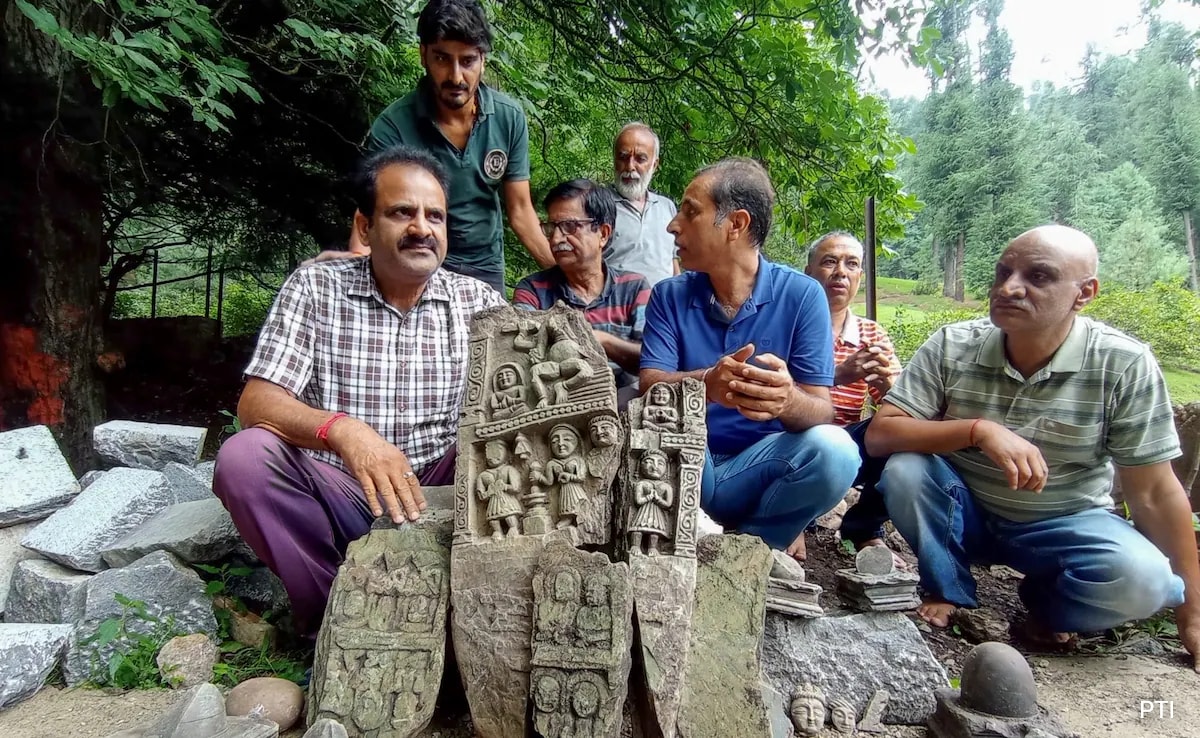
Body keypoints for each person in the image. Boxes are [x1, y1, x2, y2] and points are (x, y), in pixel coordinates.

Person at [866, 225, 1199, 666]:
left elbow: (1154, 493)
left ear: (1084, 293)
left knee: (1146, 581)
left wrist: (1193, 616)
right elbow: (881, 434)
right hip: (963, 512)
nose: (1009, 288)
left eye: (1038, 276)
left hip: (1066, 521)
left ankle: (1046, 607)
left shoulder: (1123, 363)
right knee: (906, 469)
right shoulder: (952, 344)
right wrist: (978, 430)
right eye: (1003, 272)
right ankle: (950, 588)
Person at [212, 145, 505, 636]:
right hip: (347, 492)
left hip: (446, 488)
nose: (422, 228)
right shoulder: (315, 288)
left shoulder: (479, 302)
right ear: (365, 227)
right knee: (244, 459)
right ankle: (336, 619)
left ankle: (477, 618)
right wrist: (344, 432)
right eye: (402, 213)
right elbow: (257, 403)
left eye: (435, 216)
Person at [638, 157, 860, 550]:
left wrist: (788, 400)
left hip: (766, 468)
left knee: (838, 451)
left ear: (736, 225)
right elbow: (650, 385)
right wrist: (707, 383)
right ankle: (716, 544)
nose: (673, 225)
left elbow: (821, 411)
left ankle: (755, 548)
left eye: (690, 212)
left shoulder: (802, 295)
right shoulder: (669, 296)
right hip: (692, 461)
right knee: (644, 415)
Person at [345, 0, 552, 290]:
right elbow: (371, 210)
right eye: (442, 59)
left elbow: (520, 211)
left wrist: (564, 276)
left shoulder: (509, 118)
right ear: (424, 55)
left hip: (484, 267)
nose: (456, 76)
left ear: (483, 60)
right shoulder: (394, 125)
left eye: (467, 61)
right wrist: (354, 267)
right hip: (415, 259)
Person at [785, 231, 903, 562]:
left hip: (846, 445)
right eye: (829, 262)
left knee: (903, 431)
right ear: (808, 272)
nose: (841, 272)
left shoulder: (871, 334)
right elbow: (773, 397)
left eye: (851, 264)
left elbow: (902, 405)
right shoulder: (787, 325)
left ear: (860, 277)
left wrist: (888, 386)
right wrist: (839, 374)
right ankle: (789, 518)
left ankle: (864, 528)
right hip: (791, 440)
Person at [513, 179, 650, 407]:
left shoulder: (634, 287)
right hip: (554, 408)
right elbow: (521, 355)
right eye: (551, 228)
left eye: (569, 226)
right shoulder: (532, 290)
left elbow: (653, 362)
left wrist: (603, 341)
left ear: (603, 233)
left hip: (622, 407)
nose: (556, 239)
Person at [606, 123, 679, 286]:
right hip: (616, 302)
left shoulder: (666, 207)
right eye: (623, 157)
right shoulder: (598, 205)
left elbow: (672, 262)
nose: (630, 166)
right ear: (614, 161)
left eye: (640, 159)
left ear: (654, 165)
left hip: (663, 302)